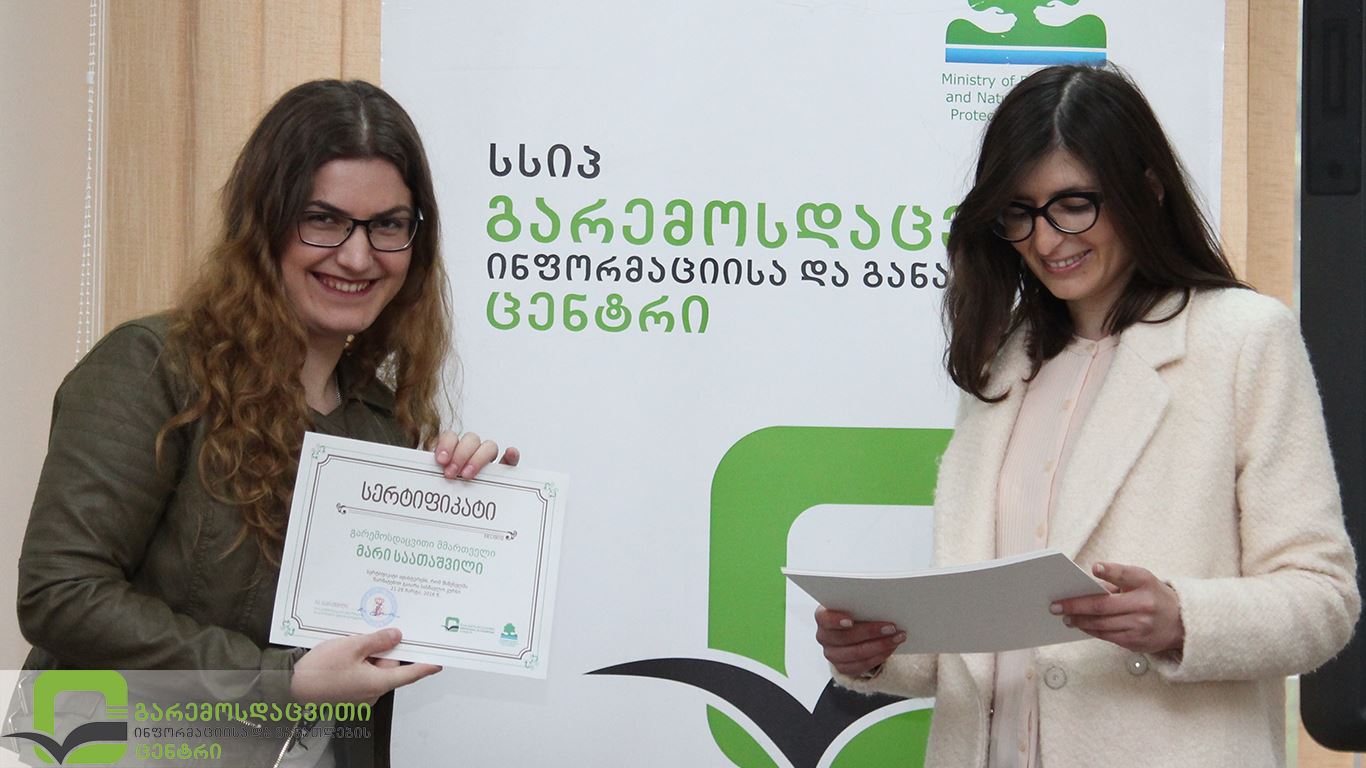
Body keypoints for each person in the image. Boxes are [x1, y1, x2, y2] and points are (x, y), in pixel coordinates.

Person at [814, 64, 1360, 767]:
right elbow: (991, 636)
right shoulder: (1003, 361)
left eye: (1073, 205)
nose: (1046, 241)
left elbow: (1323, 600)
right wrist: (877, 651)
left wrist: (1181, 620)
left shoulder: (1244, 338)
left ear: (1148, 190)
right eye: (1020, 212)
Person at [15, 80, 516, 767]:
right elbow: (61, 594)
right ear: (263, 223)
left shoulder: (382, 422)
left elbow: (368, 656)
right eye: (324, 219)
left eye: (388, 225)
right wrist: (281, 682)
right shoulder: (153, 367)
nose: (358, 256)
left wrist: (464, 517)